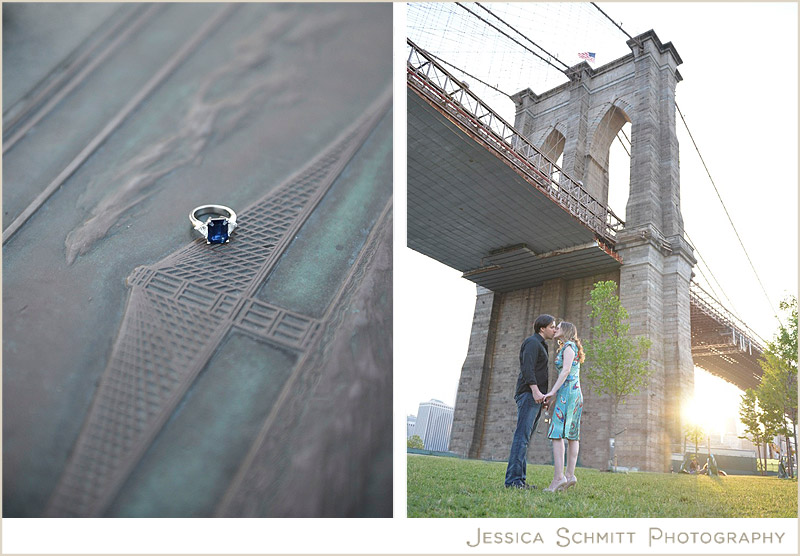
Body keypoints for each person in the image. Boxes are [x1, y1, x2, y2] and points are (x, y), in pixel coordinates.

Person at [504, 314, 557, 489]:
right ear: (542, 328)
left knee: (524, 439)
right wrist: (535, 390)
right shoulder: (532, 343)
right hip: (528, 394)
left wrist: (542, 397)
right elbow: (527, 368)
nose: (555, 329)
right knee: (521, 438)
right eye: (552, 326)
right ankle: (513, 481)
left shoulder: (541, 345)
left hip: (535, 397)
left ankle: (519, 480)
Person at [542, 321, 584, 492]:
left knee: (556, 433)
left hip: (567, 394)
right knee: (573, 434)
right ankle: (570, 475)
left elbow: (565, 371)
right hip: (575, 393)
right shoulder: (573, 347)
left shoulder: (568, 346)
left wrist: (552, 392)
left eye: (558, 327)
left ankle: (559, 478)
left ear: (565, 331)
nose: (555, 329)